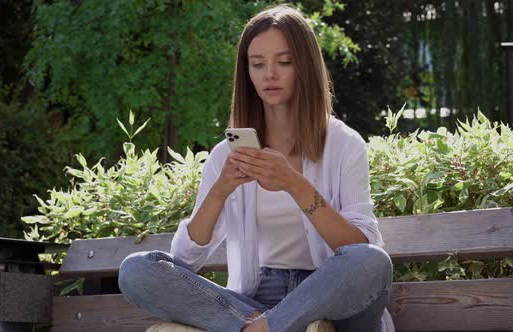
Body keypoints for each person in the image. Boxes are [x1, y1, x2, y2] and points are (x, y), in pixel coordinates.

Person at [118, 4, 394, 332]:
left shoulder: (345, 144)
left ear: (304, 66)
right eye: (258, 64)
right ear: (246, 72)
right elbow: (185, 261)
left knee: (372, 262)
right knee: (136, 270)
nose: (270, 75)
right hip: (253, 302)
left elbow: (359, 248)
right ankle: (262, 326)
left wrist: (295, 184)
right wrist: (220, 190)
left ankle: (263, 329)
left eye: (284, 62)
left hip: (333, 301)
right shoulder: (227, 155)